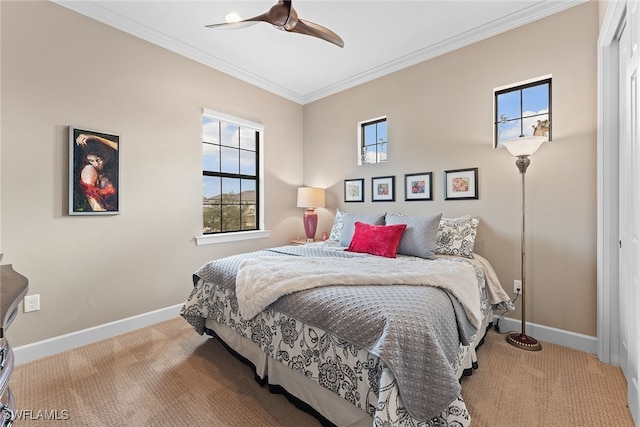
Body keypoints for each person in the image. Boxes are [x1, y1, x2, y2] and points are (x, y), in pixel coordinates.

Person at [75, 133, 118, 212]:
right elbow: (96, 206)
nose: (96, 164)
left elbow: (121, 147)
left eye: (98, 160)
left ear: (105, 156)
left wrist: (94, 138)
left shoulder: (111, 166)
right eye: (91, 160)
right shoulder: (89, 171)